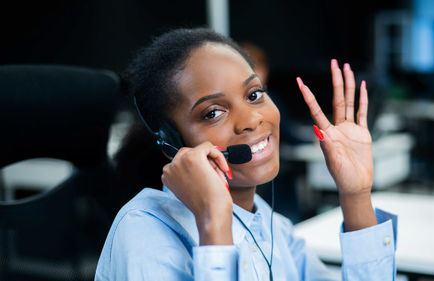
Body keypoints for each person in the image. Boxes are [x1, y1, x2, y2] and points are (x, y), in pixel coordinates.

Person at [95, 27, 397, 281]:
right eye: (213, 113)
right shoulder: (143, 233)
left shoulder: (269, 224)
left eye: (254, 95)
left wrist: (355, 196)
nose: (252, 119)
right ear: (172, 142)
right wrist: (214, 222)